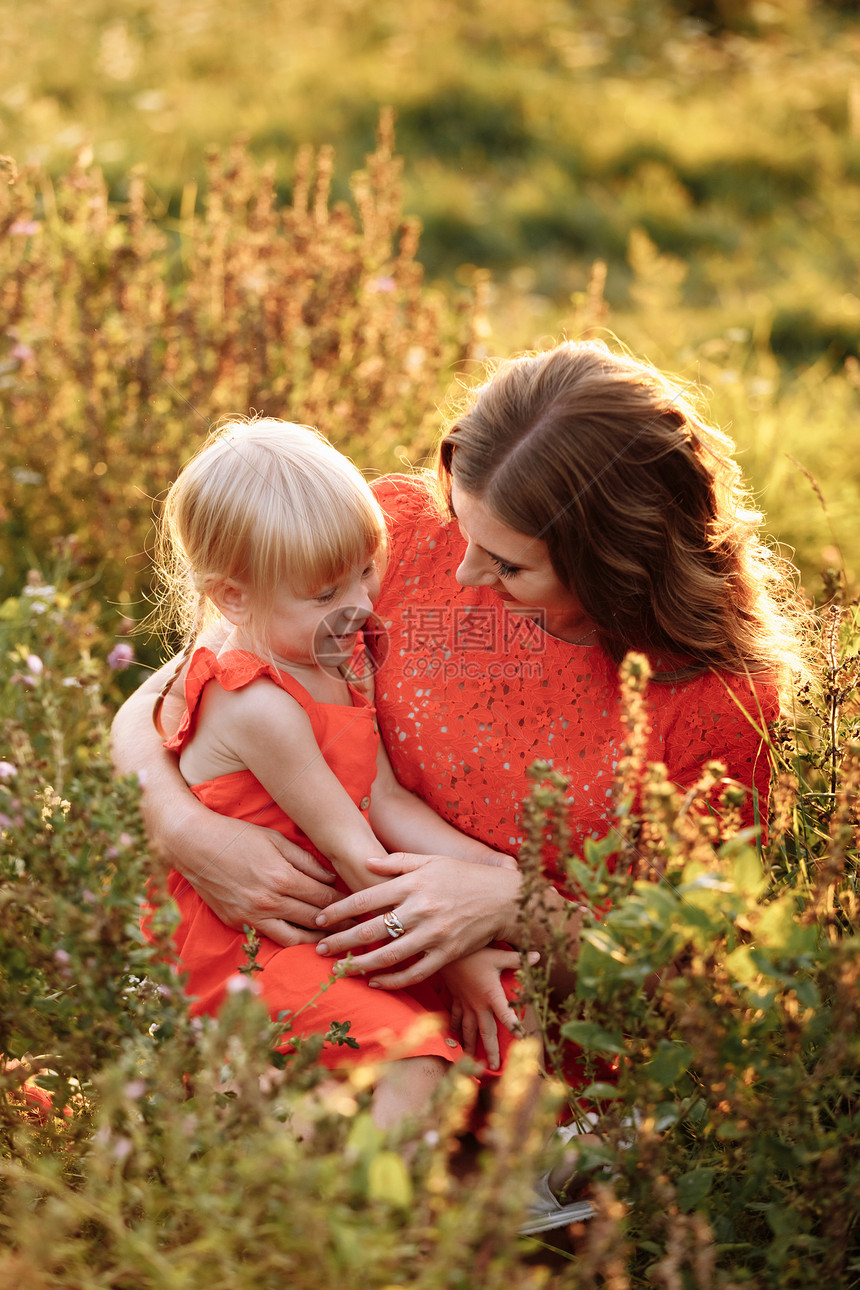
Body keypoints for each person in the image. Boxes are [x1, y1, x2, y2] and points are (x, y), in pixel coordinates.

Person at [113, 338, 803, 1098]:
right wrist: (180, 827)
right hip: (334, 966)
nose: (465, 572)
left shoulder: (716, 703)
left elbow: (682, 970)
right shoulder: (389, 539)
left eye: (507, 565)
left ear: (615, 564)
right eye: (463, 528)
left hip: (523, 1054)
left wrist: (513, 907)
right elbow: (183, 690)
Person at [143, 417, 534, 1132]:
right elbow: (356, 850)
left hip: (325, 920)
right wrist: (458, 957)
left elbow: (383, 796)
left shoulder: (335, 656)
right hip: (247, 947)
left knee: (480, 1039)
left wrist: (499, 873)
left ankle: (279, 1170)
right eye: (326, 592)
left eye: (366, 569)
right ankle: (356, 1233)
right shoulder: (259, 704)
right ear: (232, 598)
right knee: (418, 1059)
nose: (358, 603)